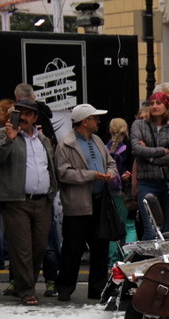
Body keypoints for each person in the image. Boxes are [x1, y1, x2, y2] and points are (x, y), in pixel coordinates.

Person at [55, 103, 118, 301]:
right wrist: (91, 175)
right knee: (73, 248)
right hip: (78, 204)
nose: (99, 121)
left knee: (100, 248)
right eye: (95, 118)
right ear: (84, 121)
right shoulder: (66, 143)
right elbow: (63, 173)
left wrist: (110, 174)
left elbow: (111, 162)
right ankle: (65, 288)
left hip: (99, 202)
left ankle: (97, 289)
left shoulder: (98, 140)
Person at [0, 99, 58, 305]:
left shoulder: (42, 139)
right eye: (19, 113)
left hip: (42, 201)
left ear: (34, 118)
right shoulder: (4, 135)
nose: (22, 117)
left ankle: (24, 286)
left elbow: (49, 166)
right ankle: (27, 291)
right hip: (17, 201)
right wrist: (8, 139)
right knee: (22, 248)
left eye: (26, 114)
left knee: (39, 247)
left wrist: (52, 190)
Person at [130, 92, 169, 240]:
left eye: (158, 103)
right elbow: (137, 149)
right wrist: (162, 151)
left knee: (168, 231)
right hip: (148, 183)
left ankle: (166, 262)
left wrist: (151, 158)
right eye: (152, 103)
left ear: (166, 106)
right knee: (150, 230)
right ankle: (146, 261)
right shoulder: (139, 125)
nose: (154, 106)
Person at [105, 117, 136, 260]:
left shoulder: (104, 148)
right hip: (125, 191)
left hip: (110, 191)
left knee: (113, 227)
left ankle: (112, 261)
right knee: (129, 226)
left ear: (110, 130)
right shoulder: (128, 149)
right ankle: (129, 257)